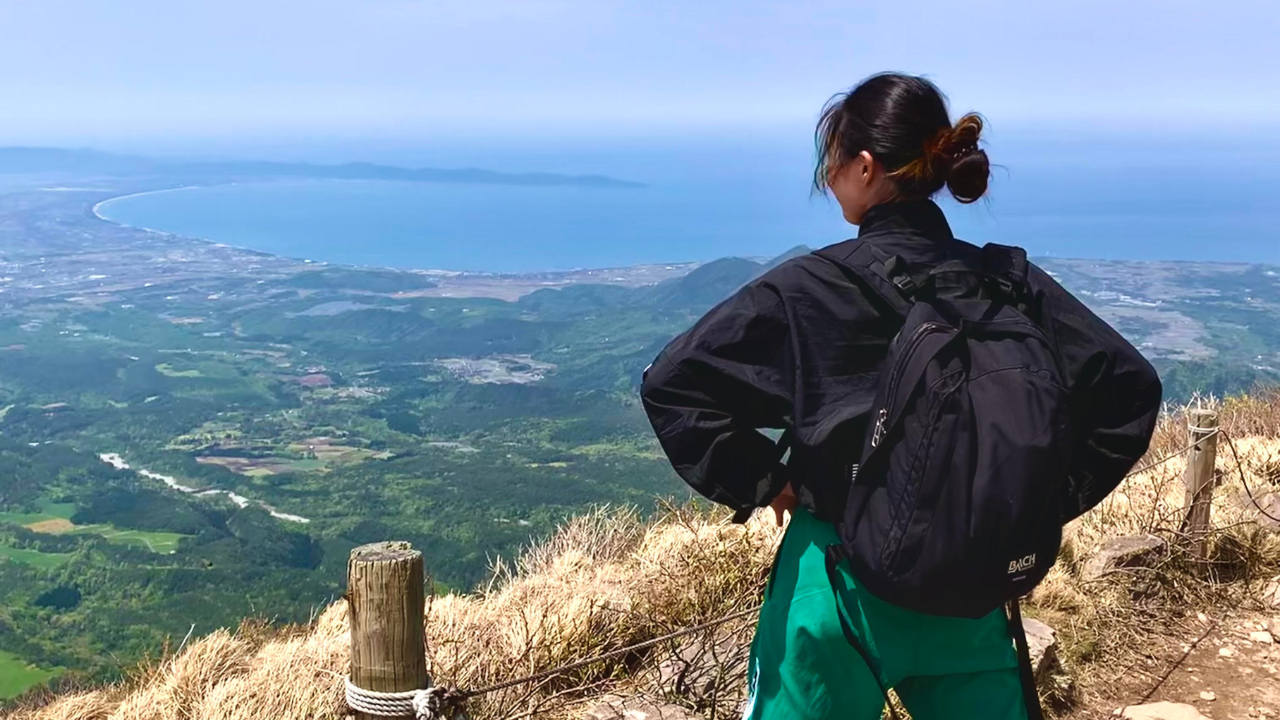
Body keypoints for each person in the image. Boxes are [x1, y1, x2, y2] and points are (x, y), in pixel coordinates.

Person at [640, 73, 1162, 720]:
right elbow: (1129, 389)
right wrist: (1035, 498)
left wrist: (765, 479)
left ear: (865, 167)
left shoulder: (809, 288)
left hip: (837, 577)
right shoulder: (1007, 283)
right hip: (969, 582)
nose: (828, 176)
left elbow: (672, 384)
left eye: (831, 161)